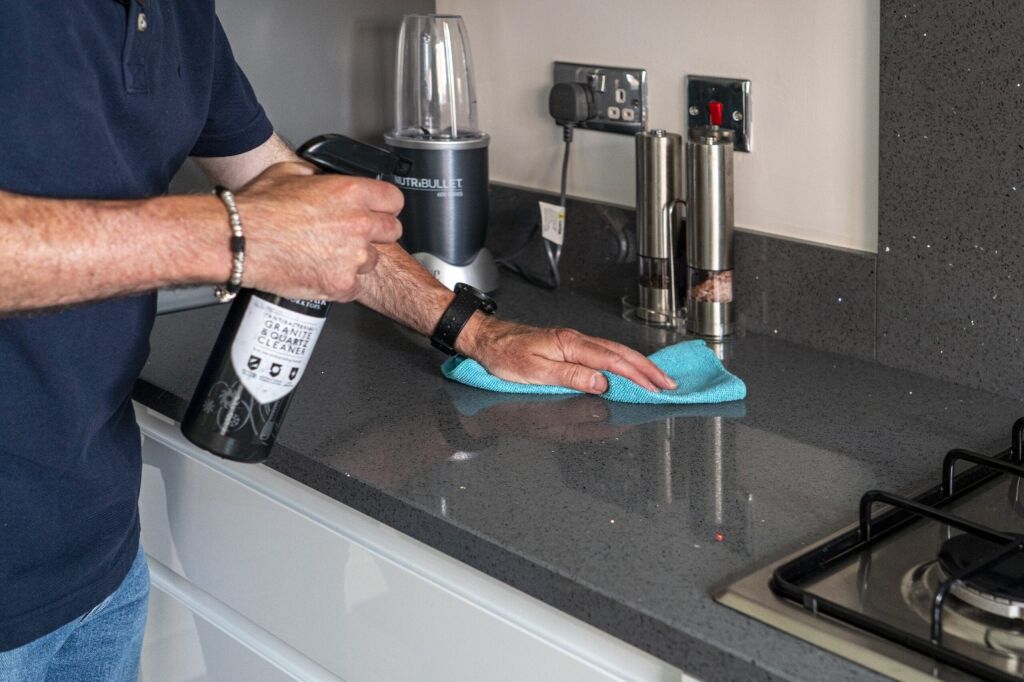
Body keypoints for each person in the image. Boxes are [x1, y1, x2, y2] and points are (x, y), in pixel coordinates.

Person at [0, 4, 675, 680]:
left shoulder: (178, 15)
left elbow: (292, 197)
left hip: (99, 563)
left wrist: (477, 330)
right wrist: (235, 235)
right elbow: (260, 220)